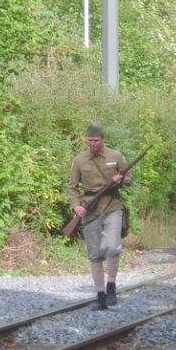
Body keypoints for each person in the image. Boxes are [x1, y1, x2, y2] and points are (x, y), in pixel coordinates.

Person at [67, 121, 131, 310]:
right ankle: (100, 295)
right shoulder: (79, 160)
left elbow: (129, 179)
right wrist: (76, 206)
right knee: (94, 254)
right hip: (90, 209)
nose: (93, 144)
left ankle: (111, 285)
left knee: (112, 247)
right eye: (90, 141)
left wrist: (120, 180)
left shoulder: (115, 156)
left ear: (103, 139)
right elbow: (71, 187)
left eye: (96, 140)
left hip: (112, 206)